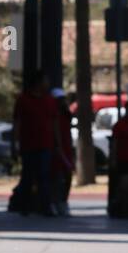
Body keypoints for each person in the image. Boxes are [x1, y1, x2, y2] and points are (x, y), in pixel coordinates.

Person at [12, 70, 58, 216]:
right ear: (38, 82)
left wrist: (57, 143)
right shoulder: (23, 100)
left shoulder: (50, 100)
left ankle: (45, 206)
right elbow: (17, 123)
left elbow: (54, 123)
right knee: (27, 176)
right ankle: (24, 206)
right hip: (28, 145)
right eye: (45, 80)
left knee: (44, 176)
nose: (48, 84)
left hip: (45, 144)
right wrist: (15, 143)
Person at [50, 87, 74, 215]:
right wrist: (57, 146)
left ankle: (63, 201)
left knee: (68, 175)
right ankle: (54, 202)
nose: (61, 102)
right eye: (58, 99)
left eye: (62, 99)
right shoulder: (51, 114)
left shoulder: (65, 114)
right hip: (56, 149)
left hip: (67, 148)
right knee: (56, 177)